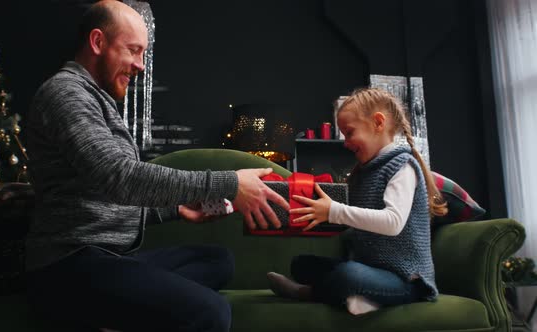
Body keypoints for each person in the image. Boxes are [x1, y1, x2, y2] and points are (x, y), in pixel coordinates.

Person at [24, 1, 289, 331]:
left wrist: (176, 209)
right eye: (133, 51)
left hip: (108, 258)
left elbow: (105, 198)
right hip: (68, 265)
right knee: (212, 312)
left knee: (217, 261)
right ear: (97, 42)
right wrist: (229, 183)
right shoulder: (65, 93)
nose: (140, 66)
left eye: (143, 54)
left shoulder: (97, 98)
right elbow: (119, 178)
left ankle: (117, 316)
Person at [266, 88, 447, 315]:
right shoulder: (363, 172)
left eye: (349, 132)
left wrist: (334, 211)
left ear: (378, 123)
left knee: (347, 276)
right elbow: (355, 220)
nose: (345, 142)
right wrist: (317, 217)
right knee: (301, 264)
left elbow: (393, 223)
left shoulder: (401, 165)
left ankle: (310, 293)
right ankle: (361, 298)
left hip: (406, 280)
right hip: (371, 269)